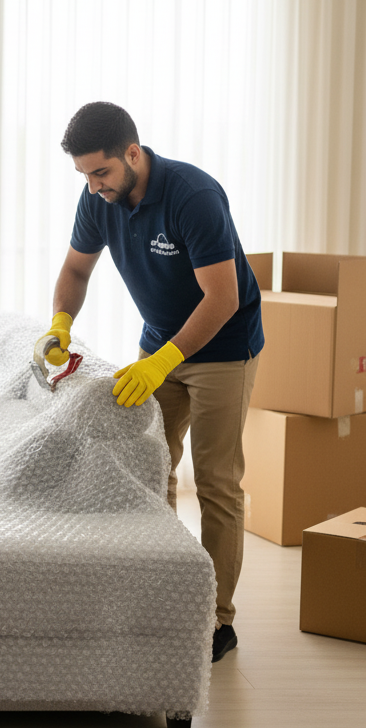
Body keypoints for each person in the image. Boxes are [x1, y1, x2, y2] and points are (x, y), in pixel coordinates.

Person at [40, 102, 263, 662]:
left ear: (132, 154)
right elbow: (75, 270)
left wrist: (163, 363)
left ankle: (216, 619)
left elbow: (224, 298)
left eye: (101, 172)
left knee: (215, 484)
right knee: (148, 468)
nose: (93, 187)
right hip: (159, 340)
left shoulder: (194, 197)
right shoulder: (99, 200)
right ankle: (161, 596)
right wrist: (61, 323)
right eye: (84, 176)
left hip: (223, 350)